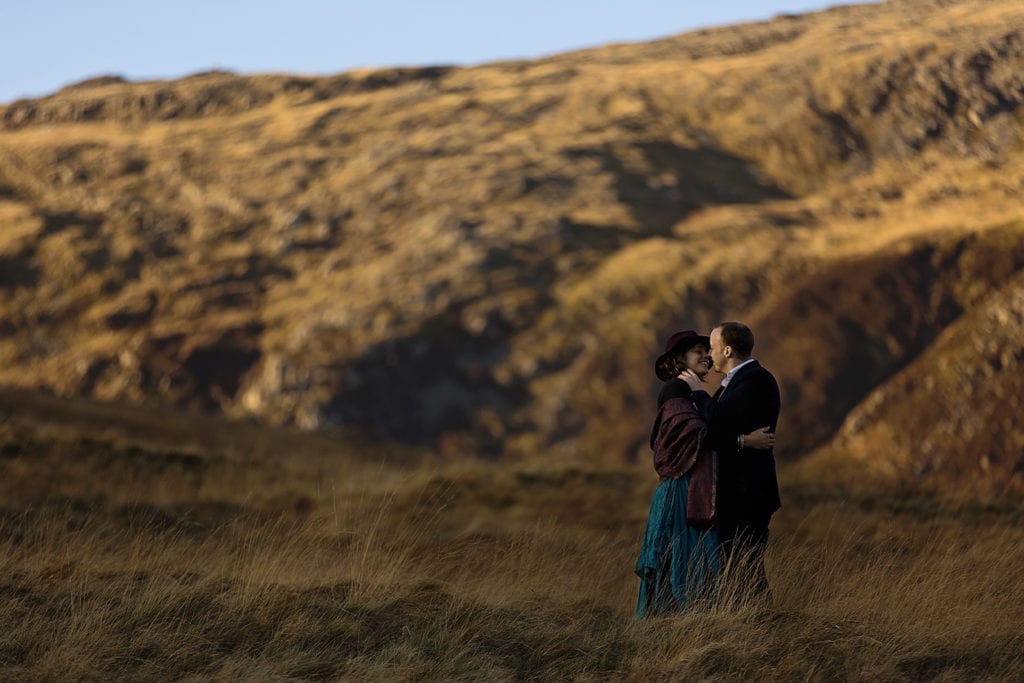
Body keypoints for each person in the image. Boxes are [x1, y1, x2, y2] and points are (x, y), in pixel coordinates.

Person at [635, 330, 773, 616]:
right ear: (679, 359)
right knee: (682, 563)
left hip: (694, 489)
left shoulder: (694, 393)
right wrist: (746, 441)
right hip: (681, 492)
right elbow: (695, 436)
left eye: (706, 349)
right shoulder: (676, 391)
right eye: (697, 351)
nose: (706, 357)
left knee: (698, 563)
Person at [681, 321, 781, 602]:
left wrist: (696, 392)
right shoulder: (738, 383)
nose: (709, 355)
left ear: (726, 350)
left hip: (749, 493)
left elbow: (716, 424)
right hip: (738, 493)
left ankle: (762, 627)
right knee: (738, 566)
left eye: (712, 348)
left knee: (745, 567)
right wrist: (743, 440)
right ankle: (751, 627)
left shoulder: (755, 380)